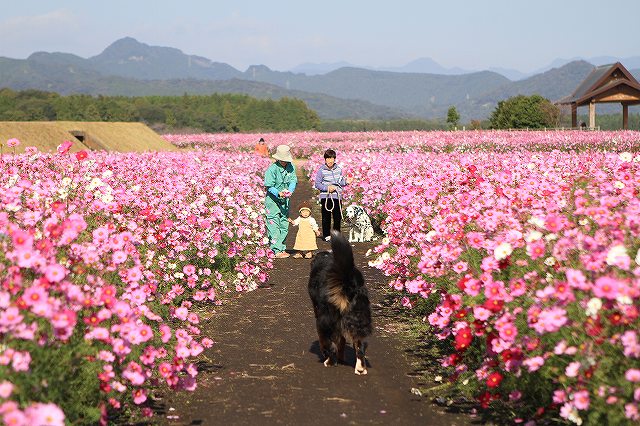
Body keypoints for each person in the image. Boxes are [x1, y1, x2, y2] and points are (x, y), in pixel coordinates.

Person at [264, 144, 297, 258]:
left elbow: (293, 180)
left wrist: (290, 190)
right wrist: (278, 193)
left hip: (285, 200)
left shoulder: (291, 167)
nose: (284, 162)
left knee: (284, 223)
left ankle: (281, 248)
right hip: (272, 200)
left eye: (285, 160)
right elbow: (269, 186)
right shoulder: (272, 169)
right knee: (273, 224)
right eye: (282, 160)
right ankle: (275, 250)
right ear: (277, 159)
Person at [314, 149, 353, 241]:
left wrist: (347, 182)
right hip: (326, 196)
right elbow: (317, 184)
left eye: (332, 158)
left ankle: (336, 235)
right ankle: (327, 235)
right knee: (326, 216)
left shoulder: (338, 169)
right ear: (325, 159)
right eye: (328, 158)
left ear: (335, 159)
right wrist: (327, 188)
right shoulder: (321, 170)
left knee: (337, 217)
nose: (330, 160)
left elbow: (340, 182)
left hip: (337, 196)